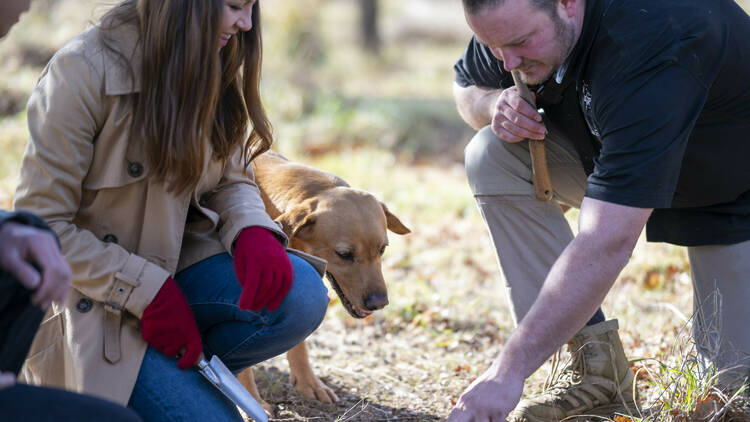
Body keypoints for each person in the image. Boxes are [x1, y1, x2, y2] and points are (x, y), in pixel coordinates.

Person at [13, 0, 330, 420]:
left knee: (302, 294)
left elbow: (232, 177)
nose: (247, 23)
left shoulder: (211, 58)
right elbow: (43, 226)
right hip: (98, 308)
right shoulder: (80, 71)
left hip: (181, 278)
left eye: (253, 7)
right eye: (235, 6)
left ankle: (175, 373)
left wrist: (252, 230)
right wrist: (146, 292)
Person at [447, 0, 750, 420]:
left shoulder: (654, 37)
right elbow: (466, 84)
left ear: (568, 3)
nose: (508, 61)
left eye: (519, 44)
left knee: (732, 398)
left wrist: (507, 372)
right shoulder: (511, 22)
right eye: (494, 47)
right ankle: (596, 374)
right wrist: (491, 104)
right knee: (491, 152)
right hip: (610, 152)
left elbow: (607, 240)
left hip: (733, 190)